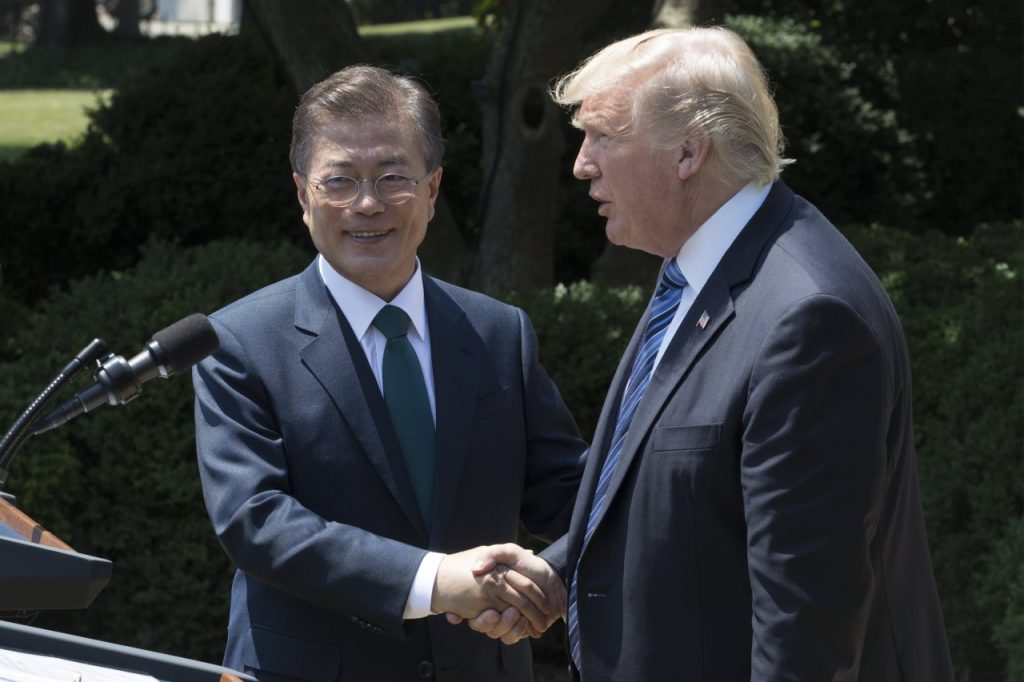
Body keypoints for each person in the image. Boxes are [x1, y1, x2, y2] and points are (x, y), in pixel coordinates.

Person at [465, 26, 956, 681]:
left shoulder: (809, 319)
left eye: (603, 136)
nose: (582, 163)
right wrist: (562, 571)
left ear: (689, 153)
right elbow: (687, 500)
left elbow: (804, 625)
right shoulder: (701, 267)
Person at [193, 65, 584, 681]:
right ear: (302, 195)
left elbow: (571, 494)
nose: (367, 203)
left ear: (433, 189)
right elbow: (256, 521)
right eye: (339, 180)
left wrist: (552, 575)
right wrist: (435, 580)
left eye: (393, 177)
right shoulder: (240, 342)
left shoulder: (498, 333)